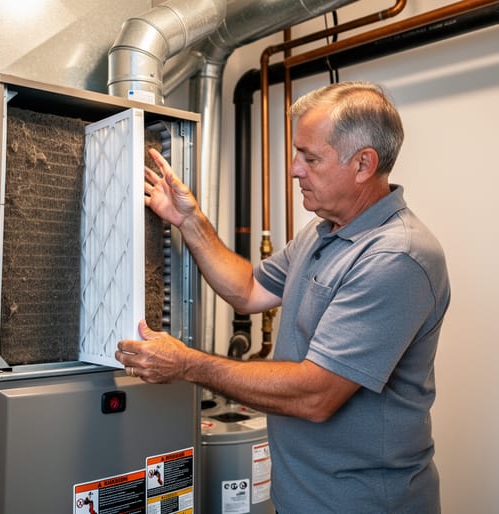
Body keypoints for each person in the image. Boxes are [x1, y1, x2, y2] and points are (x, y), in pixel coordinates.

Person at [116, 82, 450, 513]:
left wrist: (187, 364)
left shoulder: (396, 257)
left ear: (363, 163)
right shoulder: (321, 231)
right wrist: (189, 220)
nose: (294, 170)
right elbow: (248, 289)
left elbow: (316, 396)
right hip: (300, 497)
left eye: (310, 158)